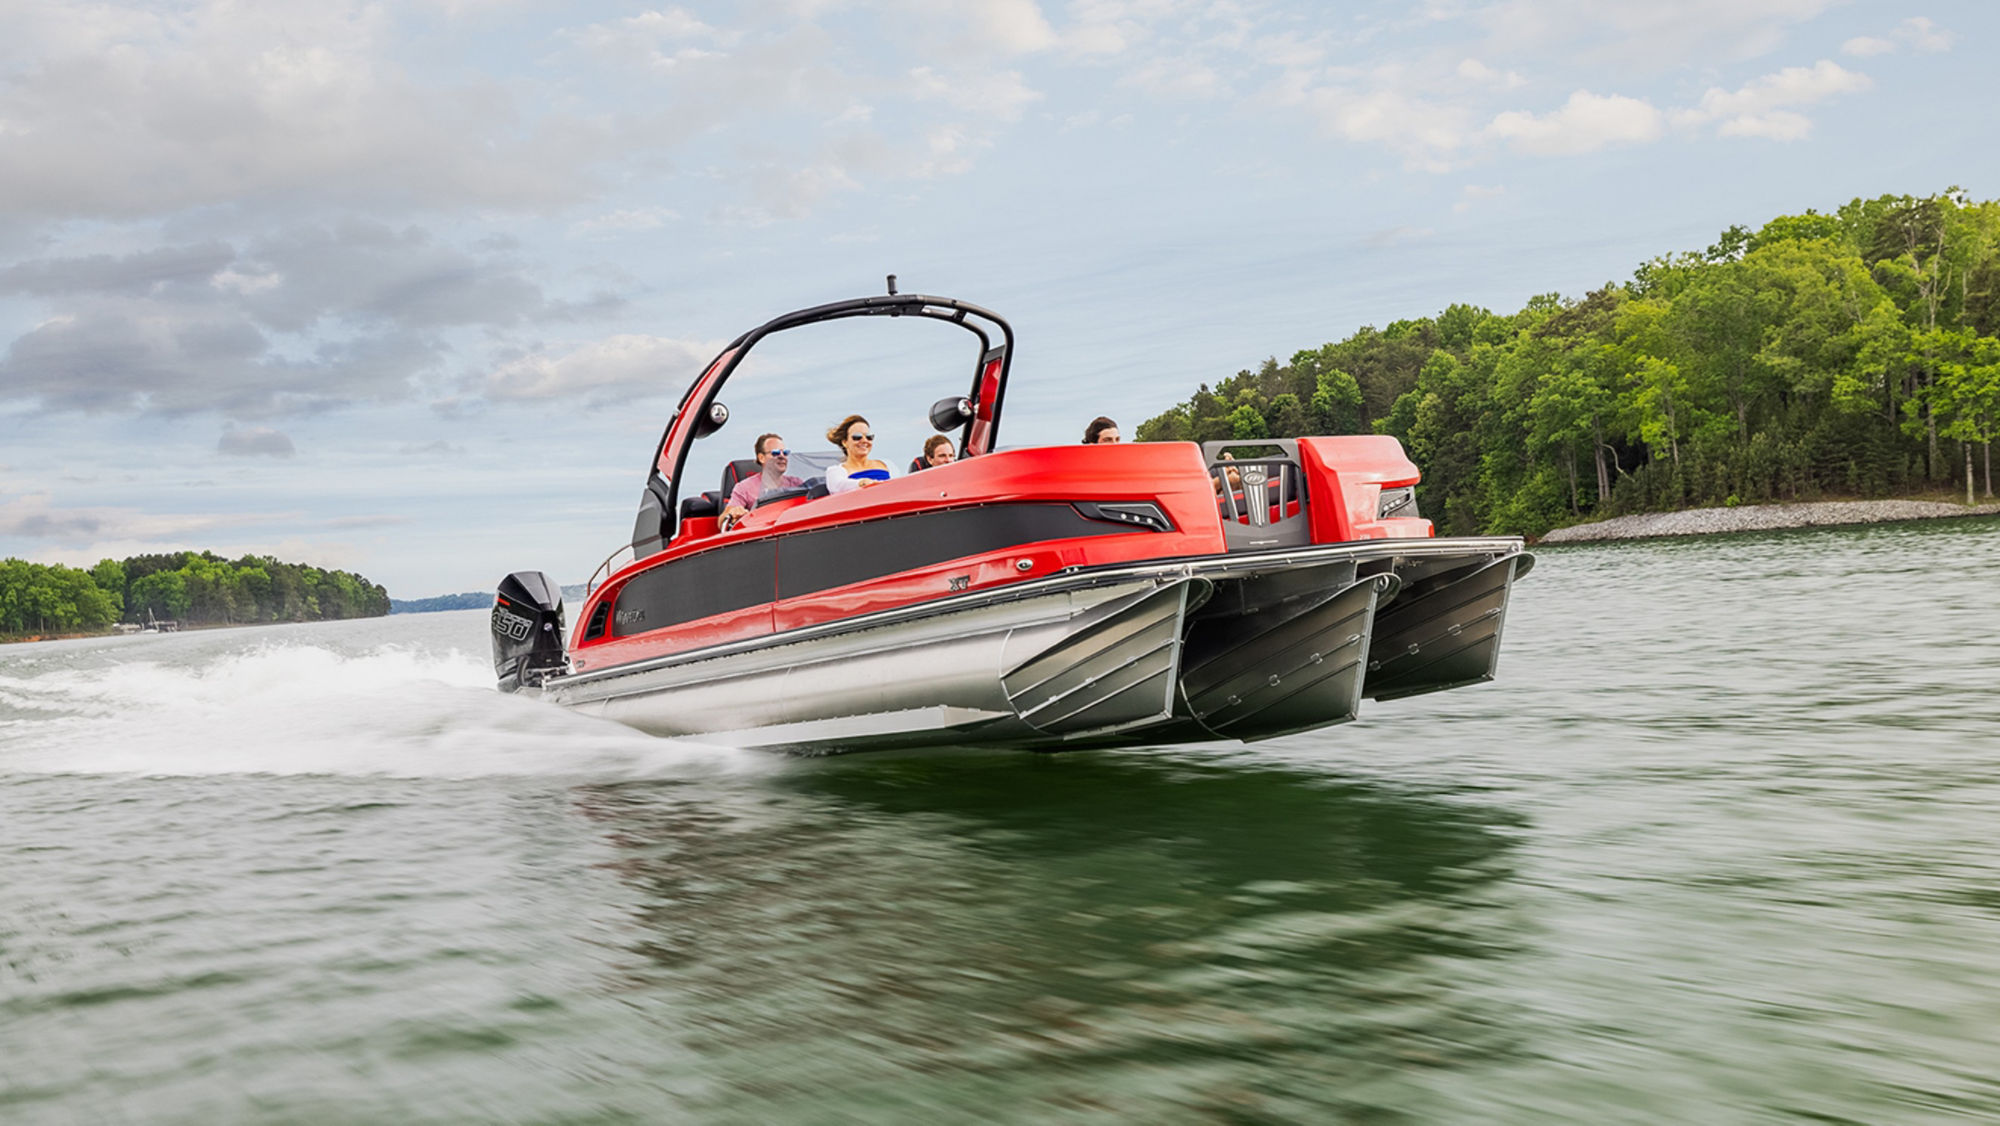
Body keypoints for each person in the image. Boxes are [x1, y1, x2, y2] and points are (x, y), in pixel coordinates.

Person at [720, 433, 803, 529]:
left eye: (785, 453)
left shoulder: (797, 483)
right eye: (775, 453)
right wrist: (734, 512)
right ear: (761, 458)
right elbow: (722, 520)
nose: (782, 456)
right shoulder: (744, 487)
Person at [825, 414, 891, 494]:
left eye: (868, 437)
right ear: (845, 442)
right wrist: (862, 483)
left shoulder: (885, 464)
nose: (864, 440)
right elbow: (838, 486)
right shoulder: (836, 471)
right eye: (857, 437)